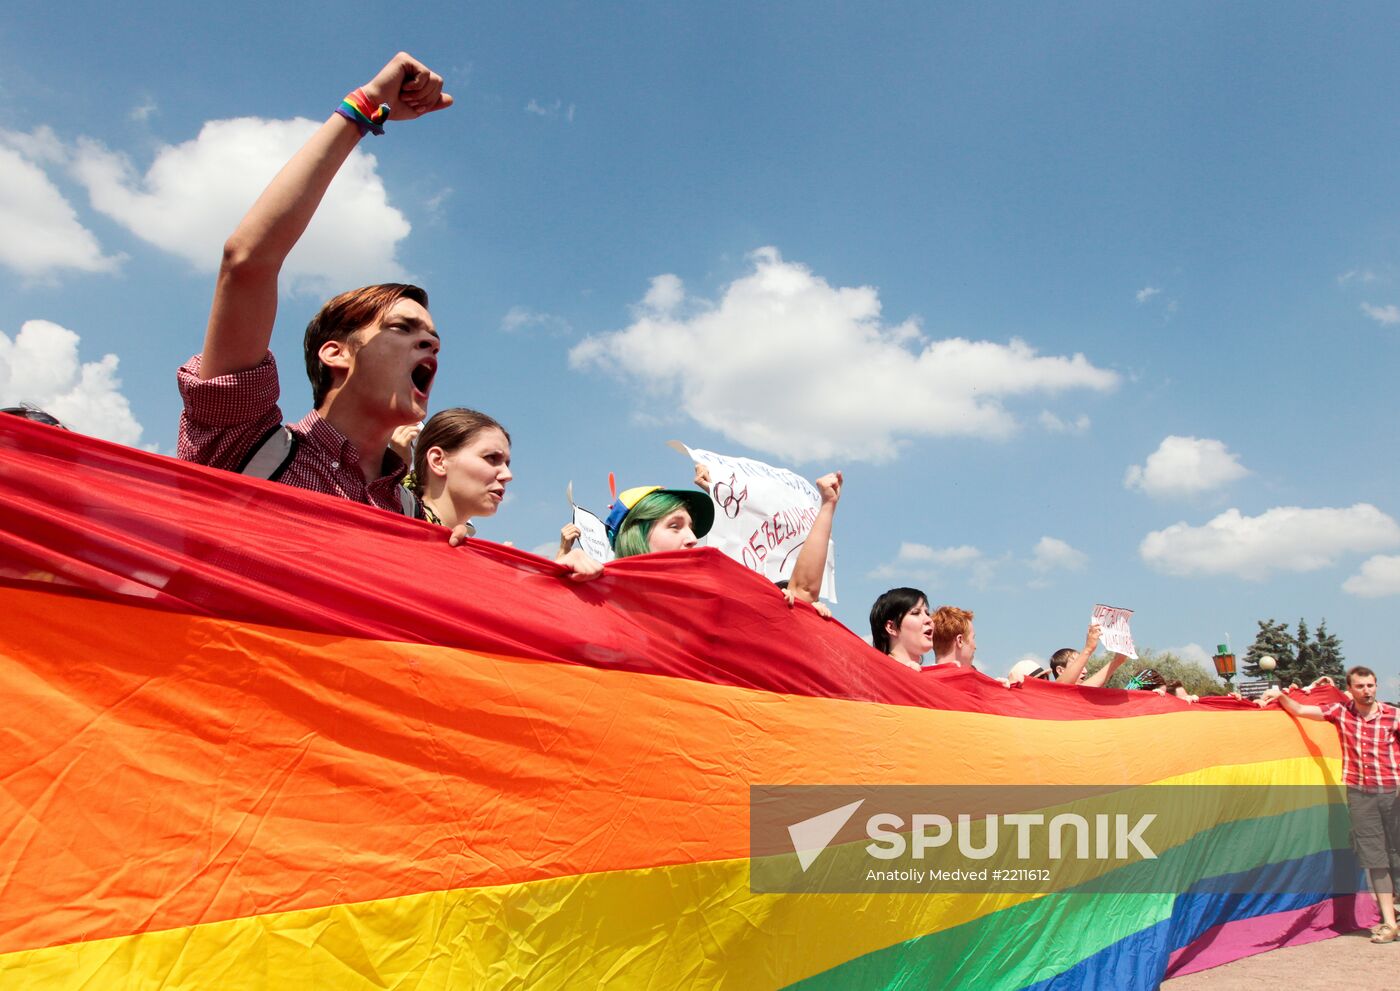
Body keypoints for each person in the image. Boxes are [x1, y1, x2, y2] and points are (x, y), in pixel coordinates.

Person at [177, 53, 451, 516]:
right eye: (401, 328)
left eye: (433, 338)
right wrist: (365, 106)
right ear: (335, 353)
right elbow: (247, 262)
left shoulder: (410, 515)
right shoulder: (243, 444)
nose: (430, 343)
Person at [1263, 666, 1400, 943]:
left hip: (1393, 792)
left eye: (1370, 685)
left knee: (1397, 854)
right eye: (1360, 686)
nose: (1367, 691)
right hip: (1360, 795)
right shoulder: (1340, 712)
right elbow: (1301, 710)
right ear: (1349, 689)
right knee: (1375, 858)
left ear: (1376, 686)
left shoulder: (1394, 716)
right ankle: (1389, 923)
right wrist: (1280, 696)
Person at [405, 408, 600, 581]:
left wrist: (559, 573)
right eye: (491, 458)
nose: (508, 475)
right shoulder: (394, 512)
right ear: (438, 461)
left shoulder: (473, 555)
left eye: (507, 464)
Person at [605, 486, 715, 557]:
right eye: (675, 526)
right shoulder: (599, 587)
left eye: (691, 528)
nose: (693, 539)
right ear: (636, 534)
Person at [869, 588, 933, 671]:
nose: (929, 620)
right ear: (891, 627)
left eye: (927, 613)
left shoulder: (934, 674)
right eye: (915, 613)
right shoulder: (874, 674)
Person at [1050, 623, 1130, 687]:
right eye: (1078, 664)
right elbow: (1060, 688)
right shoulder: (1050, 694)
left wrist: (1119, 659)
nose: (1085, 671)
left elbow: (1090, 687)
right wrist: (1088, 649)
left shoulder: (1079, 696)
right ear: (1060, 670)